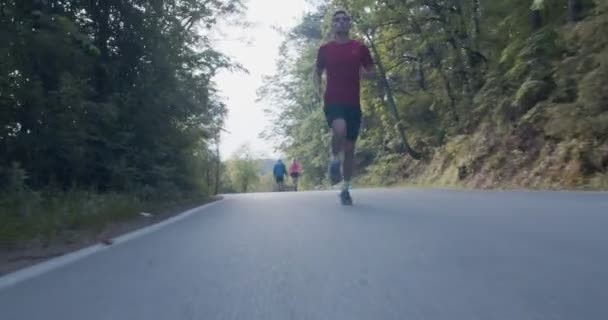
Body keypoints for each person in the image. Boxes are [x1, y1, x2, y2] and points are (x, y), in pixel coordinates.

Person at [313, 9, 375, 205]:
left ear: (349, 24)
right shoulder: (325, 49)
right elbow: (317, 71)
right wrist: (317, 88)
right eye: (337, 20)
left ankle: (345, 188)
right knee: (339, 128)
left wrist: (365, 74)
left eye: (344, 20)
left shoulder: (360, 47)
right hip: (332, 100)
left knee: (349, 150)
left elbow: (371, 71)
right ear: (332, 25)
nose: (340, 22)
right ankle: (333, 160)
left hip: (353, 103)